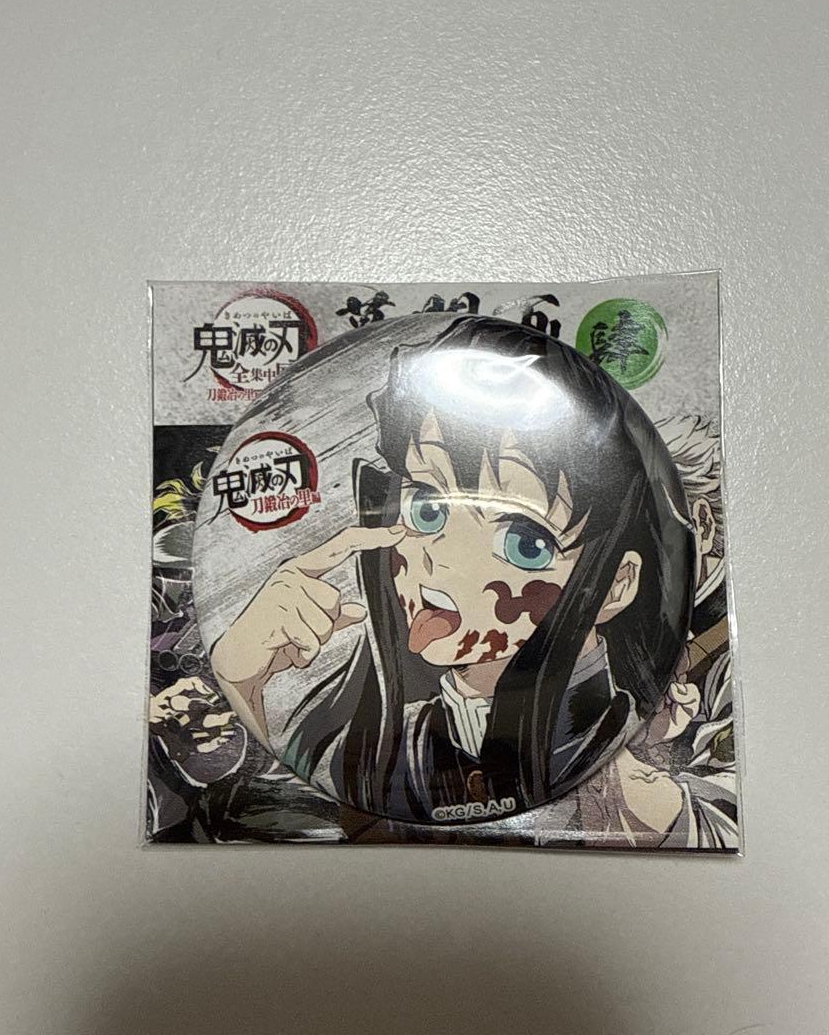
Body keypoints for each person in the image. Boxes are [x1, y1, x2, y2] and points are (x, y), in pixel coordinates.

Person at [210, 317, 695, 825]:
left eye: (525, 542)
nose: (439, 562)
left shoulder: (647, 792)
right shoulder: (379, 750)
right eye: (427, 507)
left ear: (617, 586)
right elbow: (285, 827)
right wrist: (241, 682)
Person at [533, 414, 738, 849]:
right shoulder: (618, 614)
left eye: (642, 531)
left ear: (701, 525)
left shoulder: (735, 644)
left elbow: (726, 814)